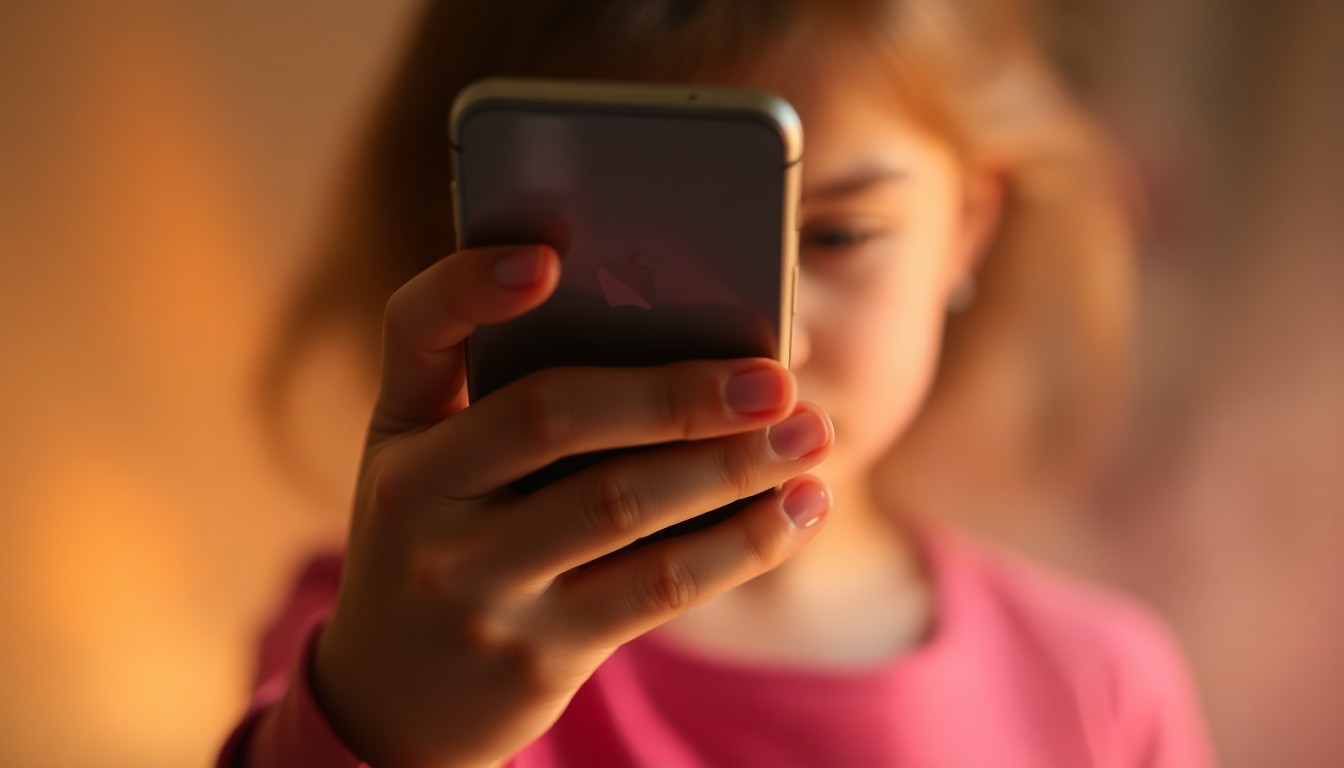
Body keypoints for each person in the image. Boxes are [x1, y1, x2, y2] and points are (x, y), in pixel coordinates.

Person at [220, 1, 1214, 766]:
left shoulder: (1105, 690)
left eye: (837, 236)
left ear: (968, 227)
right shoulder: (390, 635)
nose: (768, 345)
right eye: (650, 252)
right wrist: (382, 733)